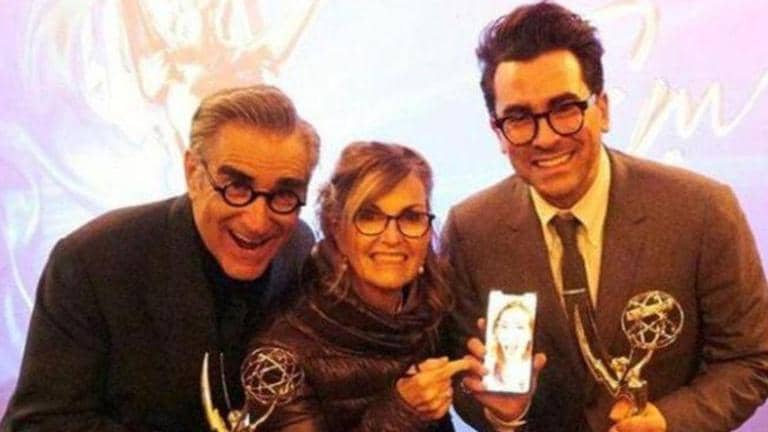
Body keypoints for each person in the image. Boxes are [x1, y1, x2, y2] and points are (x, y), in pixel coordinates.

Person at [442, 2, 768, 432]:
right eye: (519, 117)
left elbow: (750, 359)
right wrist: (505, 413)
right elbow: (460, 374)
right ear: (497, 132)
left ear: (604, 108)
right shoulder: (470, 229)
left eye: (565, 108)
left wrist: (669, 422)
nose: (545, 137)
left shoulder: (703, 209)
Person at [1, 85, 320, 431]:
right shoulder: (92, 261)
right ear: (193, 173)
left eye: (284, 194)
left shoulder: (299, 249)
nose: (257, 222)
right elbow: (40, 423)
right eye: (237, 188)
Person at [240, 142, 472, 431]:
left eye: (411, 217)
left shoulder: (432, 308)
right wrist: (401, 413)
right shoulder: (278, 357)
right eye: (369, 217)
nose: (392, 238)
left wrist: (493, 400)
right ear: (335, 228)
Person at [486, 300, 534, 393]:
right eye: (504, 326)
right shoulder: (488, 368)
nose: (510, 334)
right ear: (496, 332)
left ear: (530, 334)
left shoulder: (532, 370)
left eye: (519, 327)